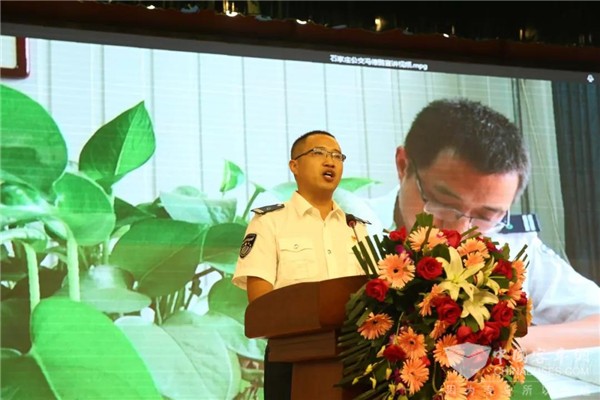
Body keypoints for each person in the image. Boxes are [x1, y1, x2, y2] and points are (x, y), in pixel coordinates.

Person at [391, 98, 600, 355]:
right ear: (403, 166)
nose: (460, 230)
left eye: (484, 215)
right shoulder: (355, 231)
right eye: (443, 203)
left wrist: (506, 340)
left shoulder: (514, 246)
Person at [232, 130, 369, 399]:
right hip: (291, 357)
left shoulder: (356, 227)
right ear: (294, 165)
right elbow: (260, 303)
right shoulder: (269, 222)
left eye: (337, 156)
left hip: (355, 356)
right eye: (319, 153)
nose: (330, 161)